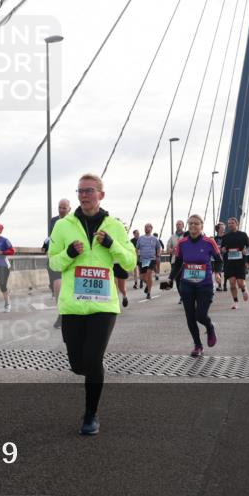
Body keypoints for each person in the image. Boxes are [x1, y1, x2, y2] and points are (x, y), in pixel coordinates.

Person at [48, 174, 135, 436]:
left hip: (103, 305)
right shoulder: (63, 226)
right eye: (80, 191)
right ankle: (94, 369)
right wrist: (69, 254)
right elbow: (53, 262)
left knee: (93, 359)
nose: (84, 195)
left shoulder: (115, 227)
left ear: (101, 195)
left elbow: (129, 262)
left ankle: (90, 414)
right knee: (78, 364)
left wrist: (112, 244)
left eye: (89, 191)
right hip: (73, 306)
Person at [162, 214, 223, 357]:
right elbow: (178, 263)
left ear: (202, 226)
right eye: (191, 224)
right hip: (187, 284)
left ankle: (209, 326)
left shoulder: (209, 242)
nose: (193, 226)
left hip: (205, 284)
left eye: (196, 223)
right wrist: (171, 278)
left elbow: (218, 260)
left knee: (200, 315)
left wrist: (218, 273)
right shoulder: (182, 243)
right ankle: (198, 345)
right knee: (190, 316)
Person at [43, 198, 71, 328]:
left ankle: (65, 314)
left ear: (69, 209)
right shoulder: (53, 221)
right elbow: (51, 238)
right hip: (55, 256)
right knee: (56, 284)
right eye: (60, 207)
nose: (61, 210)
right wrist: (45, 244)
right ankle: (61, 313)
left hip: (69, 256)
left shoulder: (73, 221)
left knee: (62, 283)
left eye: (64, 208)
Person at [220, 217, 249, 309]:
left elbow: (248, 247)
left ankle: (244, 290)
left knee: (240, 283)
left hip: (240, 261)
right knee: (232, 283)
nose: (230, 225)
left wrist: (246, 250)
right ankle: (235, 302)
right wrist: (223, 250)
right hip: (229, 262)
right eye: (229, 223)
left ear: (236, 224)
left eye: (232, 223)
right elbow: (222, 249)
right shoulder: (225, 236)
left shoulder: (243, 234)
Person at [135, 223, 163, 299]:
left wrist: (158, 255)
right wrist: (137, 257)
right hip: (143, 260)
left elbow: (158, 247)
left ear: (151, 229)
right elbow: (137, 248)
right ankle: (148, 284)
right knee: (142, 277)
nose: (146, 228)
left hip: (151, 259)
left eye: (148, 227)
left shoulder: (154, 239)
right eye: (145, 227)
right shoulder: (140, 238)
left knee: (149, 274)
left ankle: (149, 293)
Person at [213, 222, 226, 292]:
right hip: (218, 257)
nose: (223, 229)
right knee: (217, 271)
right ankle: (220, 285)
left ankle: (225, 284)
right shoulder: (214, 238)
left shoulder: (227, 237)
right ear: (218, 229)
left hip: (226, 256)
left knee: (226, 271)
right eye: (221, 228)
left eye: (224, 228)